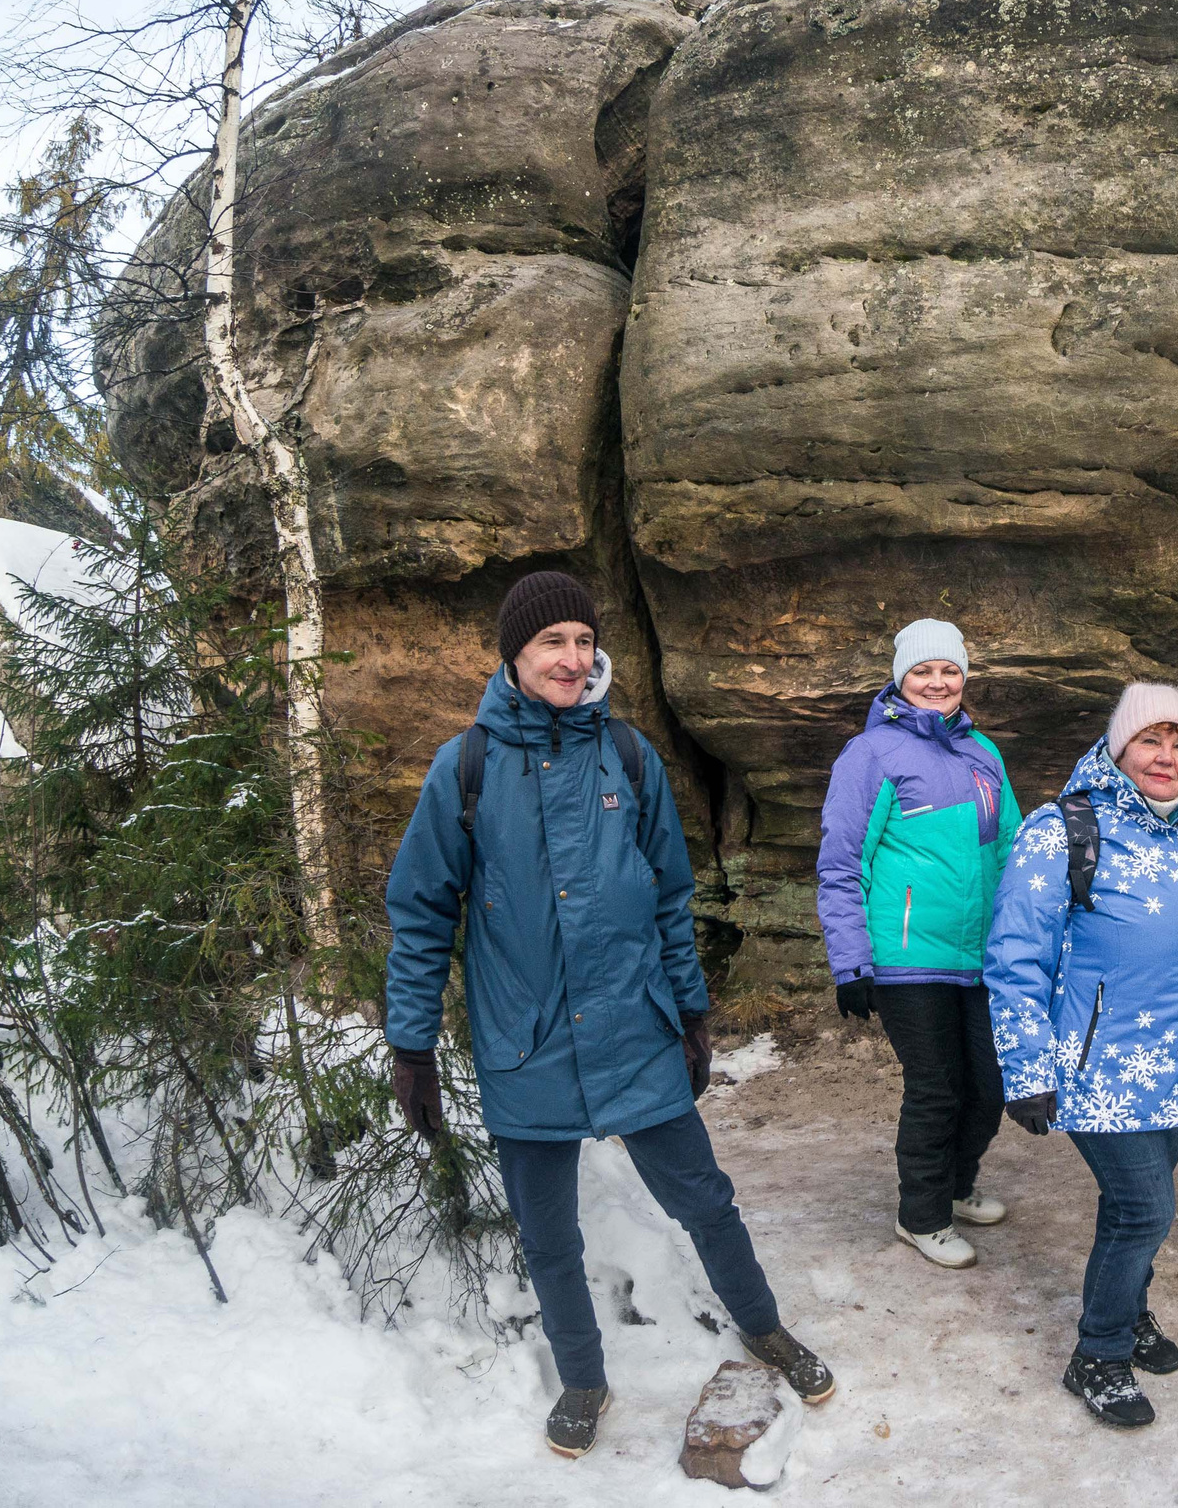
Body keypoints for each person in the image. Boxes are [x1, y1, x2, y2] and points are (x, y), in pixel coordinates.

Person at [383, 571, 832, 1460]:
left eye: (585, 641)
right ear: (514, 654)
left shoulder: (629, 759)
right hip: (527, 1043)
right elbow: (422, 909)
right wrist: (413, 1045)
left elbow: (670, 895)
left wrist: (692, 1008)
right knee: (550, 1235)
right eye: (553, 642)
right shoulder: (465, 766)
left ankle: (764, 1326)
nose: (573, 658)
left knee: (707, 1200)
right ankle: (584, 1378)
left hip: (634, 1031)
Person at [984, 683, 1178, 1431]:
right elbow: (1014, 957)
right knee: (1145, 1209)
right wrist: (1025, 1070)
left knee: (1137, 1212)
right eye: (1152, 740)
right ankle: (1096, 1352)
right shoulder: (1062, 830)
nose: (1167, 757)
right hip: (1102, 1071)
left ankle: (1127, 1313)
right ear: (1118, 747)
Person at [816, 618, 1023, 1270]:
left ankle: (957, 1185)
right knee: (936, 1085)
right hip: (907, 957)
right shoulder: (871, 754)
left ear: (965, 676)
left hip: (980, 956)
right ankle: (922, 1215)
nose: (938, 681)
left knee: (988, 1085)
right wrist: (851, 961)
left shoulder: (985, 753)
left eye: (950, 670)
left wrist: (1029, 940)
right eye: (923, 671)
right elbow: (842, 861)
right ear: (900, 678)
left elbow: (1014, 850)